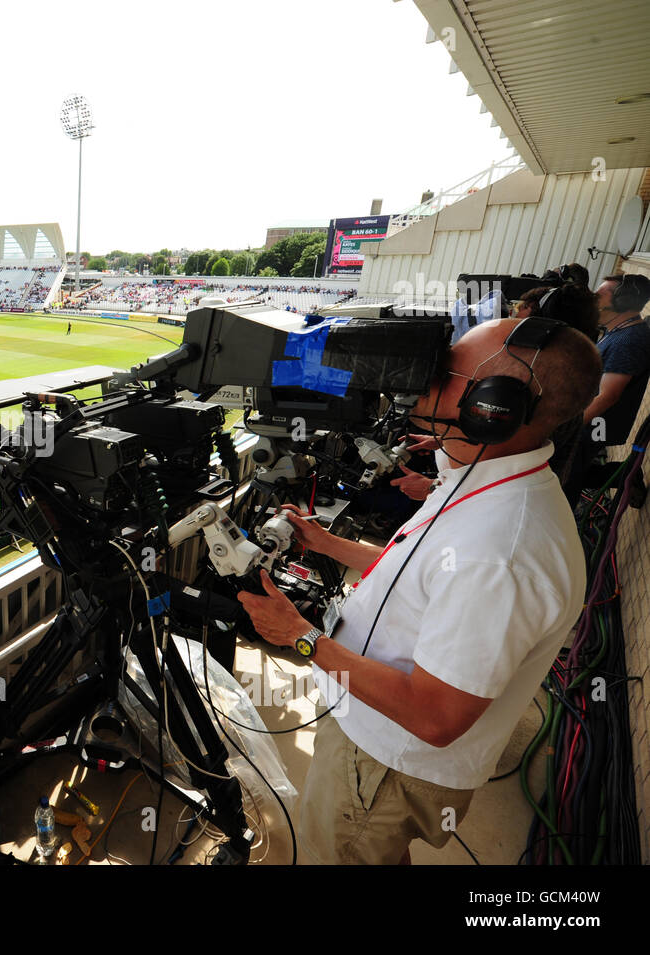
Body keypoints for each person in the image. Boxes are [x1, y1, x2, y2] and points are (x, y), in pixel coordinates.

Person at [238, 317, 603, 864]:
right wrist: (329, 545)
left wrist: (300, 637)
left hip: (388, 765)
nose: (422, 382)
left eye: (447, 372)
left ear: (494, 408)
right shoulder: (483, 475)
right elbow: (421, 570)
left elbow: (434, 718)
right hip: (375, 747)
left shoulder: (502, 552)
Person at [565, 273, 650, 499]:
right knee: (570, 471)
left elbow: (607, 396)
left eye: (600, 295)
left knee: (567, 483)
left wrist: (567, 428)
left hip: (594, 424)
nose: (593, 299)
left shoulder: (628, 341)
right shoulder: (616, 331)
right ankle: (626, 475)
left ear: (623, 301)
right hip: (588, 421)